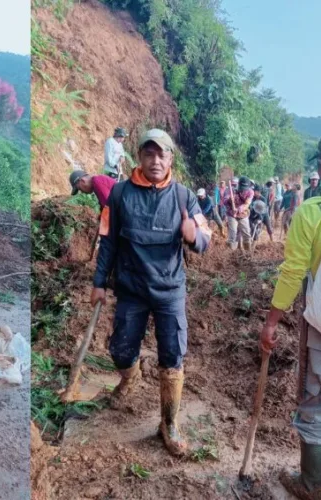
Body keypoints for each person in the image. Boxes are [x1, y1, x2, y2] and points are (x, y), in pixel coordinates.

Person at [91, 128, 211, 457]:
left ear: (171, 158)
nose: (155, 160)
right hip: (131, 289)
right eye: (149, 153)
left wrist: (192, 236)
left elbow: (205, 238)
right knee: (120, 350)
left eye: (162, 154)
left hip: (169, 290)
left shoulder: (184, 197)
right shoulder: (118, 195)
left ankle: (168, 424)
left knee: (172, 356)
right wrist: (99, 282)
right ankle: (129, 378)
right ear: (139, 157)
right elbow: (108, 241)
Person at [259, 132, 321, 500]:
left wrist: (271, 321)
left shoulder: (314, 213)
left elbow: (293, 272)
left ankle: (313, 485)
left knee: (317, 402)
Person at [223, 176, 254, 251]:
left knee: (246, 234)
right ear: (238, 185)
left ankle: (248, 254)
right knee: (233, 234)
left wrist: (240, 208)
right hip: (232, 215)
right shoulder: (229, 190)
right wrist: (229, 200)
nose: (243, 189)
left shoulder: (250, 192)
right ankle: (231, 254)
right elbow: (224, 201)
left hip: (243, 215)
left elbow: (247, 204)